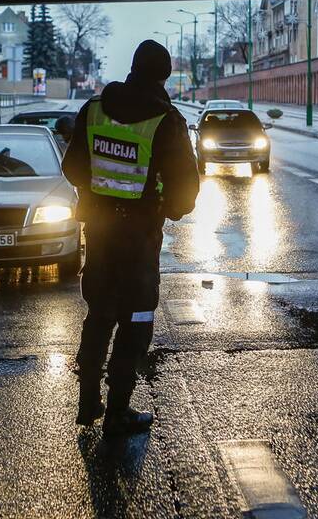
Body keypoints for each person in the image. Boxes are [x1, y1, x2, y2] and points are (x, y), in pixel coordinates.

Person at [62, 40, 200, 435]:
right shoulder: (166, 121)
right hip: (139, 239)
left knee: (100, 312)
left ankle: (88, 398)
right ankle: (118, 411)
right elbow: (185, 192)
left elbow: (72, 167)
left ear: (132, 68)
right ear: (164, 75)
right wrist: (162, 206)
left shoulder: (94, 111)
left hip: (101, 232)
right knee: (137, 317)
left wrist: (99, 193)